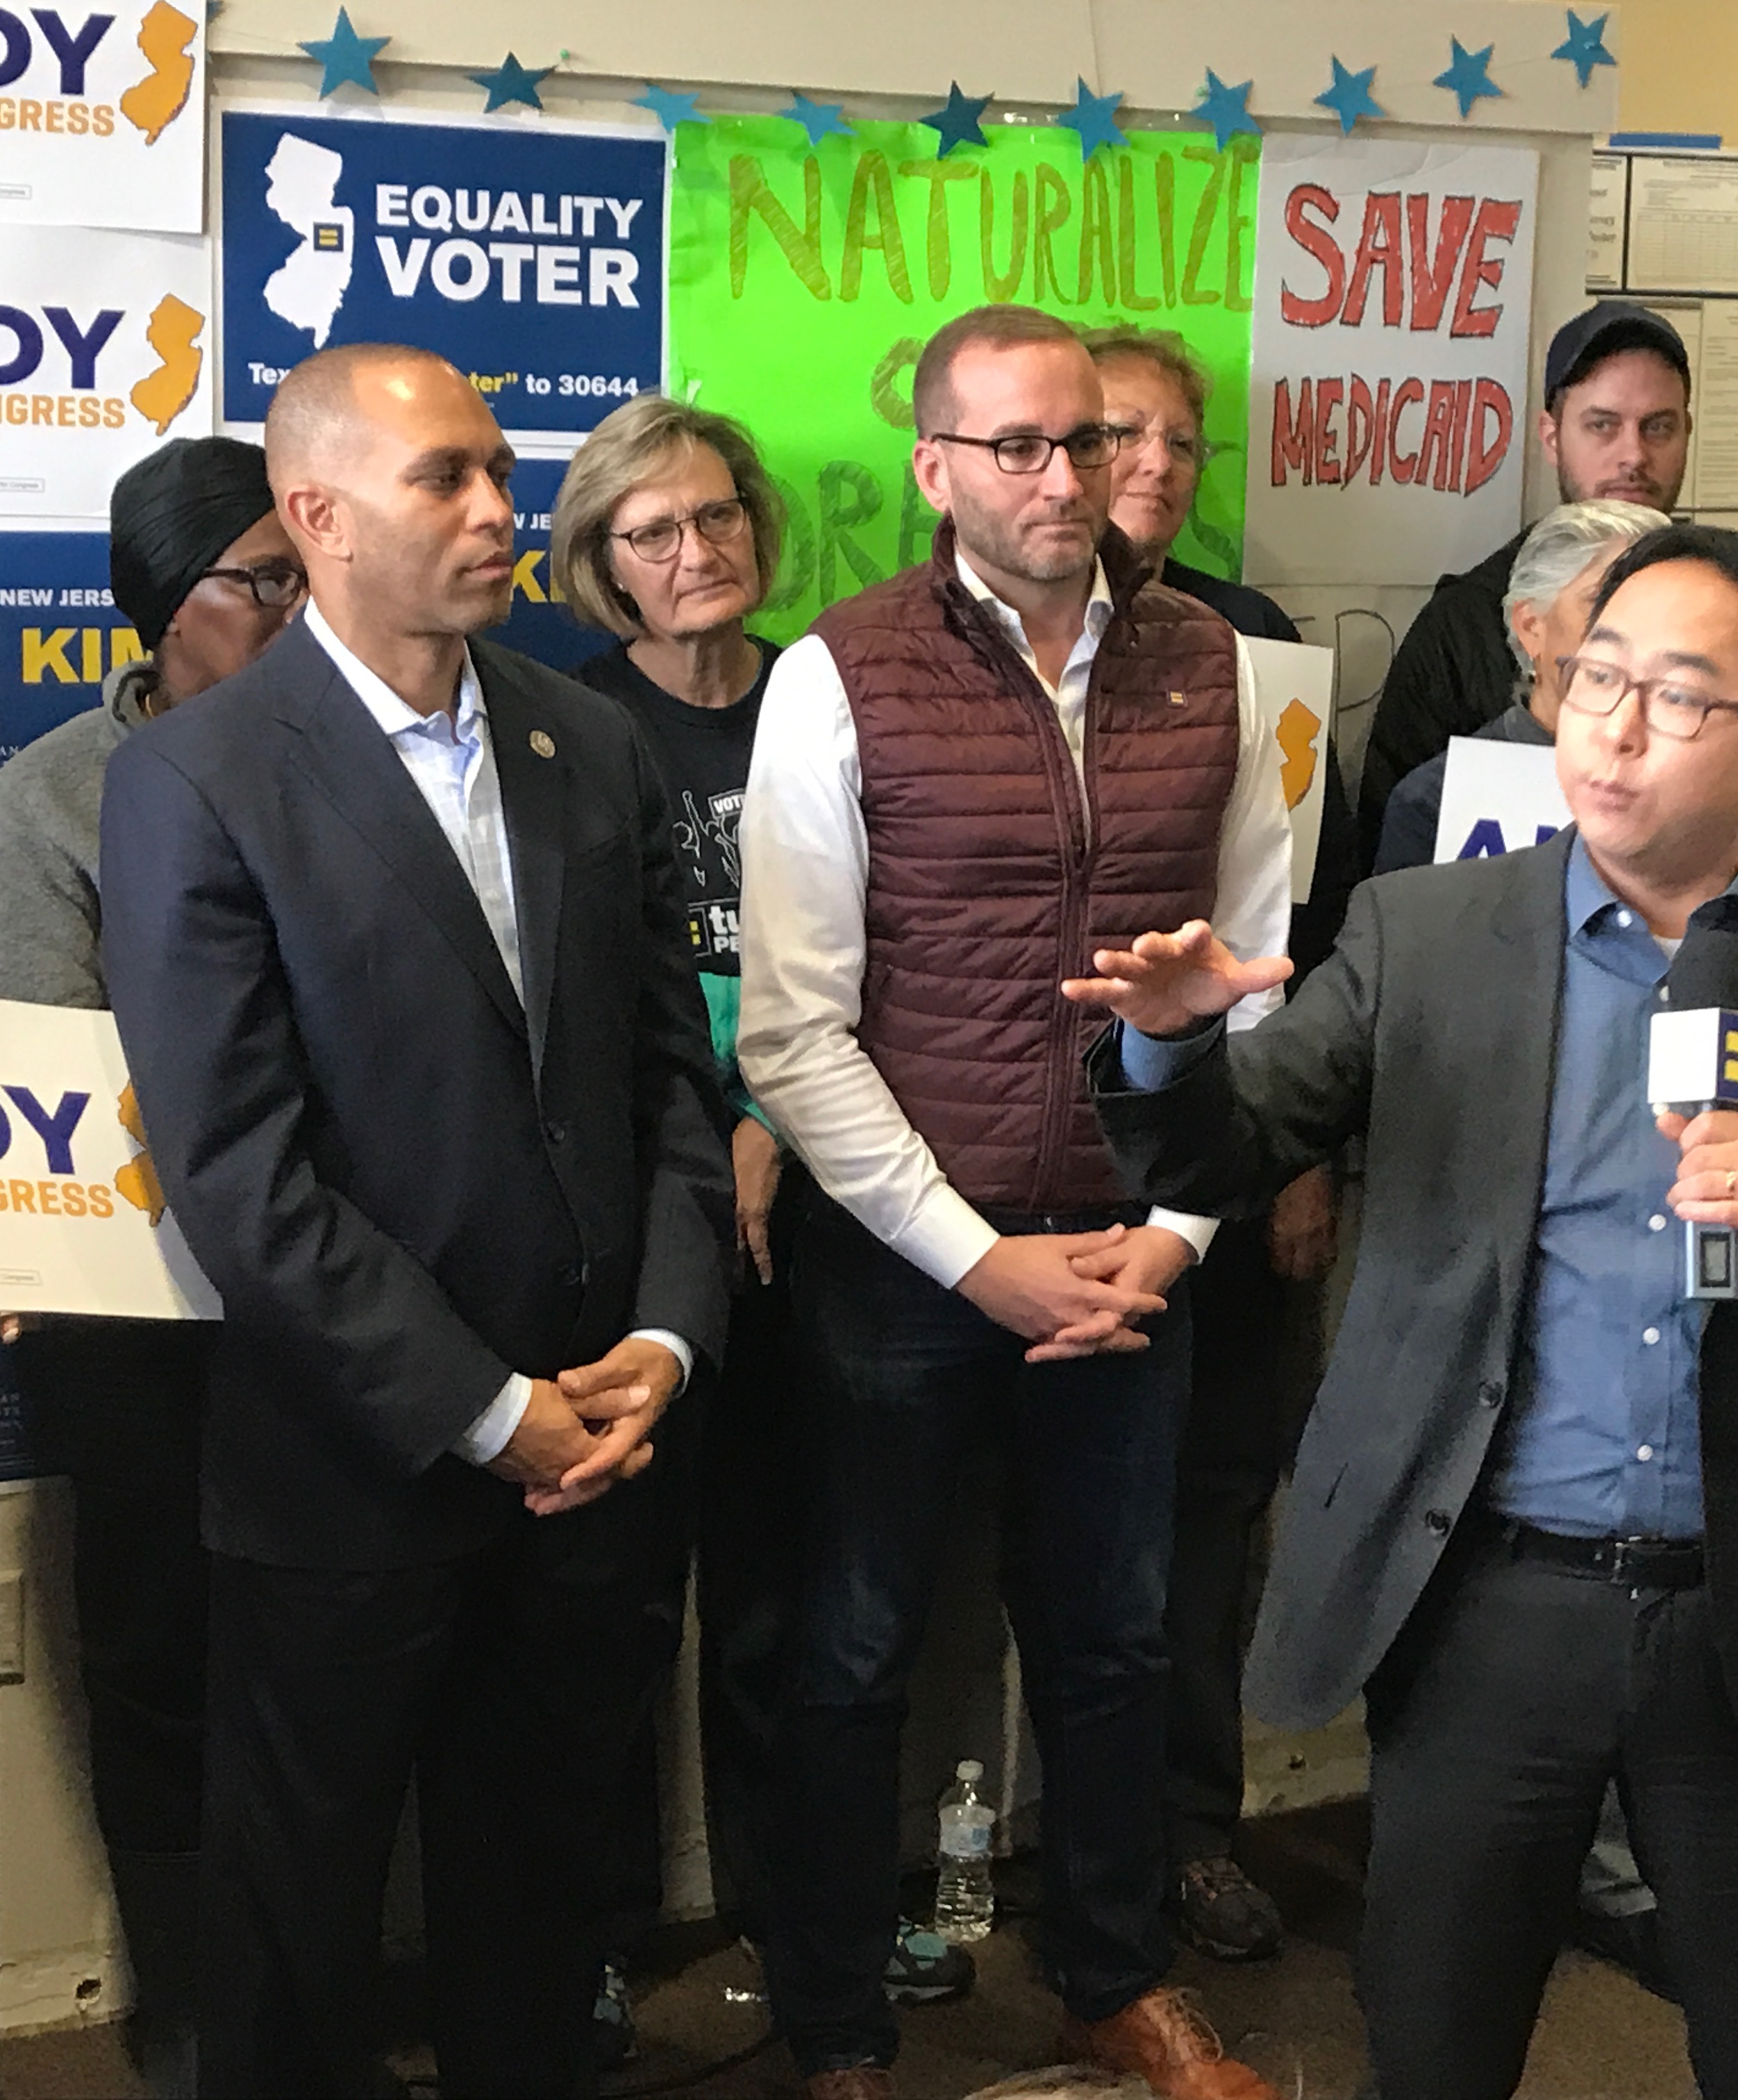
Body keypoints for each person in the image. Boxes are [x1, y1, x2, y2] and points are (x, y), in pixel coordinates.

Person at [1071, 522, 1738, 2100]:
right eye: (1598, 682)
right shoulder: (1428, 934)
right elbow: (1234, 1147)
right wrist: (1171, 1051)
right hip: (1488, 1597)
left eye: (1681, 699)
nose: (1619, 729)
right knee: (1434, 2044)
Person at [94, 342, 733, 2099]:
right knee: (299, 1933)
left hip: (599, 1450)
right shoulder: (203, 778)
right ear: (316, 518)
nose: (498, 513)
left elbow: (671, 1083)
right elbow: (239, 1168)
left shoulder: (582, 738)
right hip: (347, 1479)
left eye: (500, 475)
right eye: (445, 480)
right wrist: (484, 1411)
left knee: (538, 1920)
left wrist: (665, 1347)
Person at [737, 303, 1290, 2100]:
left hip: (1136, 1253)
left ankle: (1110, 1978)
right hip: (909, 1267)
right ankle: (832, 2022)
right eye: (1025, 448)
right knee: (854, 1651)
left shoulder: (1219, 666)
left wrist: (1177, 1233)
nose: (1073, 478)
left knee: (1117, 1646)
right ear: (938, 469)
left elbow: (1254, 988)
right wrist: (981, 1264)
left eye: (1094, 439)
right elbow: (795, 1035)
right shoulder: (839, 673)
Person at [555, 393, 973, 2049]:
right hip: (657, 1222)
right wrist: (727, 1120)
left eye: (716, 515)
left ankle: (814, 1928)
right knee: (615, 1610)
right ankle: (587, 1941)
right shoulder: (567, 728)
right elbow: (598, 994)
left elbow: (909, 950)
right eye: (650, 532)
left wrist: (792, 1125)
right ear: (602, 567)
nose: (695, 550)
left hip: (845, 1209)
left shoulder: (832, 694)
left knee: (798, 1603)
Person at [0, 436, 299, 2096]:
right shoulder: (50, 796)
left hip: (346, 1296)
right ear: (160, 609)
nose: (291, 607)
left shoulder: (369, 753)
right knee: (161, 1651)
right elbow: (61, 1070)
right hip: (139, 1314)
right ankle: (190, 1998)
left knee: (334, 1652)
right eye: (256, 580)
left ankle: (314, 1982)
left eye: (302, 570)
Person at [1086, 321, 1359, 1960]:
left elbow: (1295, 927)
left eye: (1184, 444)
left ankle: (1185, 1832)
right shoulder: (946, 643)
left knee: (1209, 1507)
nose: (1157, 470)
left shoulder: (1257, 647)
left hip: (1233, 1146)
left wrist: (1302, 1152)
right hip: (1031, 1166)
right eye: (1121, 436)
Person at [1357, 299, 1692, 848]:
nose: (1633, 455)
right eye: (1602, 426)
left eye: (1658, 427)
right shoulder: (1461, 624)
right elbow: (1392, 849)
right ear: (1552, 435)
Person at [1372, 497, 1670, 875]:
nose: (1638, 626)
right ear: (1531, 626)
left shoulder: (1714, 784)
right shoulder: (1435, 800)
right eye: (1603, 600)